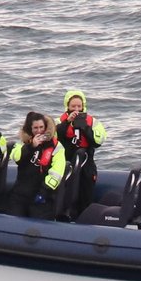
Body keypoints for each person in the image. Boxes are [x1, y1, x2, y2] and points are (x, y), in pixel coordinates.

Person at [54, 88, 108, 221]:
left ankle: (84, 221)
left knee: (85, 193)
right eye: (73, 106)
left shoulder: (92, 122)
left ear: (83, 106)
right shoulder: (58, 122)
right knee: (65, 193)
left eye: (79, 106)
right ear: (67, 106)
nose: (76, 109)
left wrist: (85, 128)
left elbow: (97, 141)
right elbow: (54, 138)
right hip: (66, 163)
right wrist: (67, 123)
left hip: (86, 163)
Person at [5, 111, 68, 219]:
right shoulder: (24, 143)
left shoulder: (57, 147)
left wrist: (43, 192)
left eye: (41, 127)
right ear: (31, 129)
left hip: (42, 196)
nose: (39, 131)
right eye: (35, 128)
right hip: (21, 194)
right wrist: (31, 146)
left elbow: (56, 173)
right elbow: (17, 157)